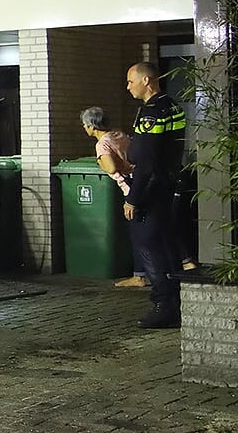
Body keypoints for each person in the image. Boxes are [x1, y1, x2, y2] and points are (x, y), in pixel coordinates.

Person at [124, 61, 187, 329]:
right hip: (169, 183)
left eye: (131, 81)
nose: (128, 86)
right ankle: (176, 301)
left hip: (151, 189)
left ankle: (164, 305)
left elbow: (147, 162)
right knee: (166, 244)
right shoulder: (172, 105)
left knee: (148, 246)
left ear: (146, 81)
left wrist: (133, 198)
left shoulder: (152, 112)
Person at [80, 106, 146, 289]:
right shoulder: (118, 134)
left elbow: (110, 168)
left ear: (92, 126)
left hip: (130, 186)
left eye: (85, 125)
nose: (84, 128)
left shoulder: (102, 144)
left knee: (137, 232)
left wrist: (99, 160)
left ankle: (139, 276)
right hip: (141, 179)